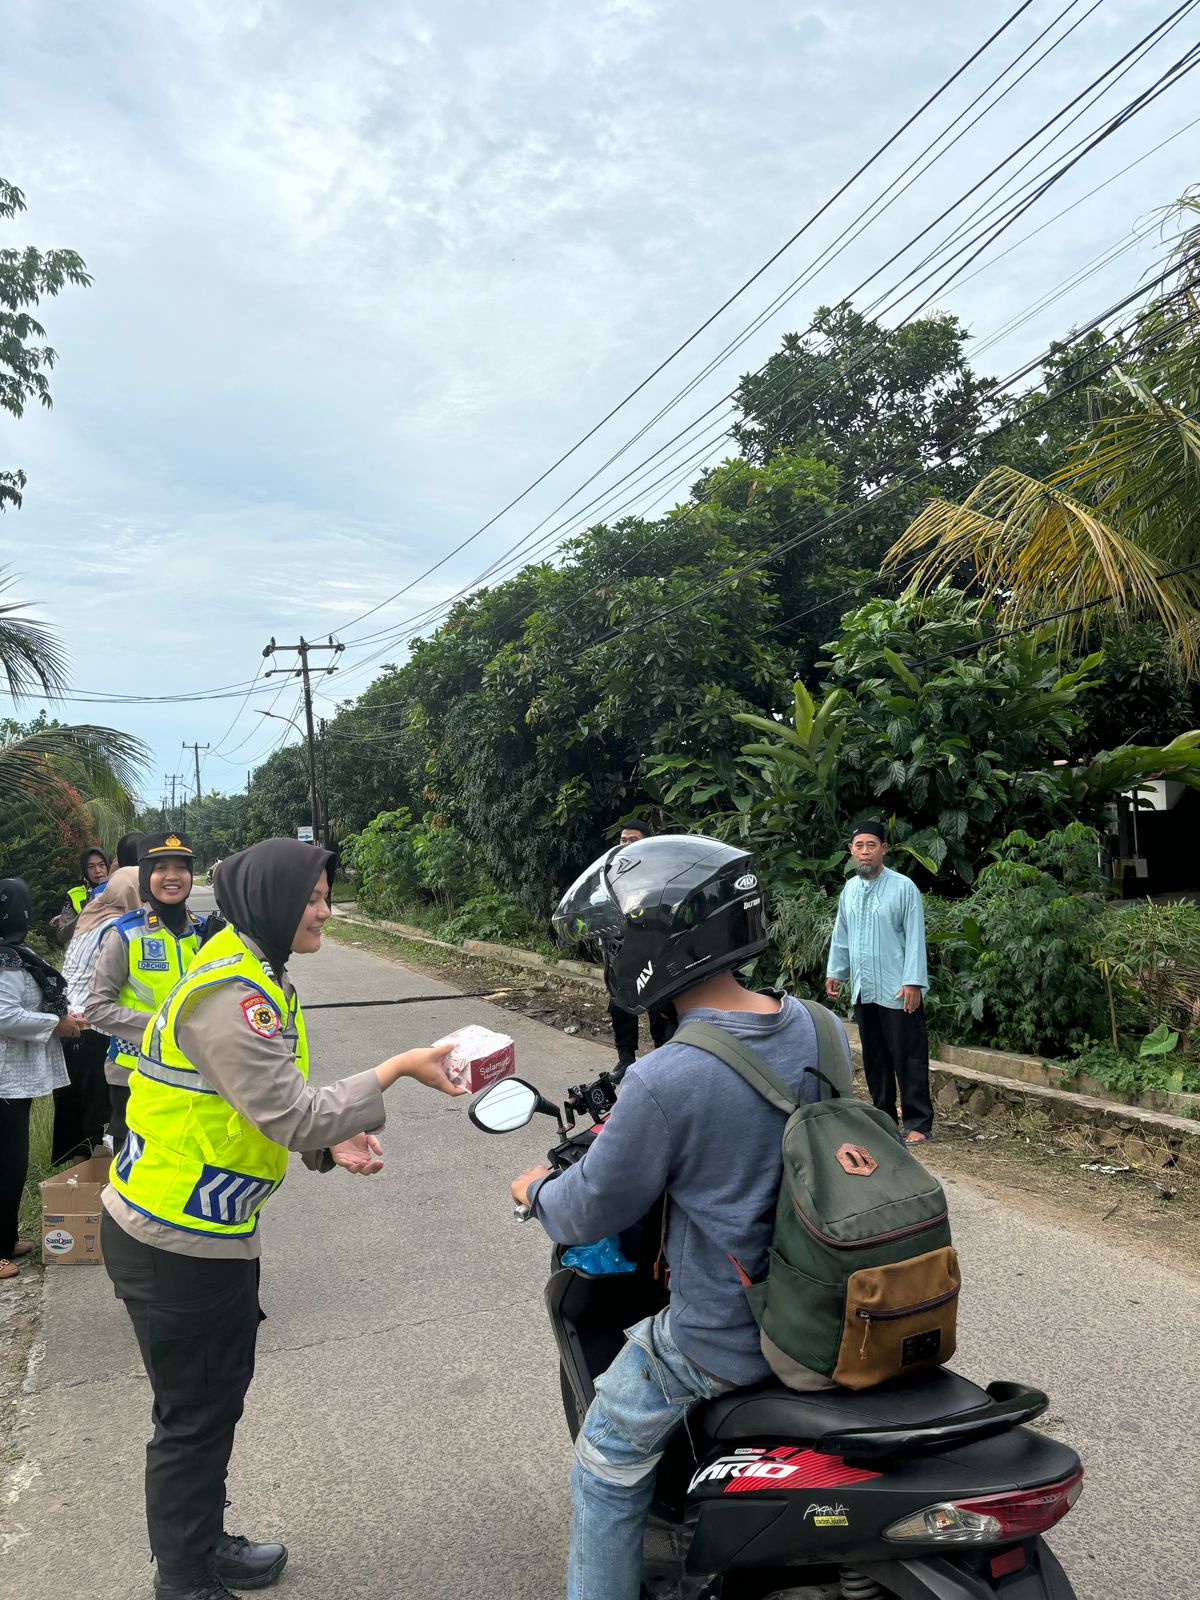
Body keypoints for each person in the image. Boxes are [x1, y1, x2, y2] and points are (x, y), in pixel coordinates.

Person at [101, 837, 465, 1600]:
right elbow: (292, 1113)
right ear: (271, 899)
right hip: (174, 1240)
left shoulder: (252, 972)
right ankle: (183, 1577)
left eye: (326, 895)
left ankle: (202, 1543)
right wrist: (393, 1069)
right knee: (192, 1417)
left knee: (212, 1401)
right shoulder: (230, 996)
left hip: (203, 1230)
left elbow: (255, 1111)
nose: (325, 911)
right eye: (313, 898)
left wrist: (331, 1146)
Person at [511, 835, 852, 1600]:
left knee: (605, 1457)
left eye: (612, 941)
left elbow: (592, 1205)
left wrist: (534, 1191)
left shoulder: (667, 1076)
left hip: (728, 1333)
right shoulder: (823, 1029)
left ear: (650, 946)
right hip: (833, 1303)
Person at [85, 834, 205, 1158]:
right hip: (133, 1077)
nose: (171, 876)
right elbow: (96, 1008)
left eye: (181, 867)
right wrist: (160, 1026)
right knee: (133, 1175)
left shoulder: (208, 934)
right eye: (160, 867)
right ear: (144, 876)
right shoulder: (125, 934)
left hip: (195, 1075)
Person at [824, 817, 933, 1143]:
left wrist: (913, 982)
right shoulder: (850, 889)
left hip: (898, 990)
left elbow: (915, 938)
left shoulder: (904, 888)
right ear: (851, 851)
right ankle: (883, 1118)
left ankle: (918, 1122)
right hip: (864, 989)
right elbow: (841, 933)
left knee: (908, 1056)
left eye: (872, 845)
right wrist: (836, 971)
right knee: (874, 1057)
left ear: (884, 849)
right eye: (859, 846)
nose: (865, 852)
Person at [0, 879, 84, 1281]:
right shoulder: (2, 959)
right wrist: (56, 1024)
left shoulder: (15, 953)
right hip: (2, 1080)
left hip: (14, 1078)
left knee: (12, 1162)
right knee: (4, 1163)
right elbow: (3, 1015)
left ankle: (6, 1238)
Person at [53, 867, 143, 1163]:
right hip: (92, 1028)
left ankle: (78, 1185)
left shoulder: (90, 917)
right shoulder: (117, 925)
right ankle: (95, 1189)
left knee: (76, 1113)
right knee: (97, 1117)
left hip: (68, 1024)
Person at [605, 819, 676, 1068]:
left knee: (660, 1003)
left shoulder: (661, 870)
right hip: (625, 946)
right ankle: (625, 1059)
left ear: (647, 841)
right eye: (623, 840)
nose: (626, 844)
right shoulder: (612, 873)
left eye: (632, 840)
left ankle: (662, 1058)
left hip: (655, 945)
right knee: (620, 1001)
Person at [50, 845, 110, 945]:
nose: (97, 870)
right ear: (84, 871)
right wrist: (85, 913)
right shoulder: (74, 895)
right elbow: (62, 934)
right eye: (91, 867)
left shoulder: (120, 889)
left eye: (101, 865)